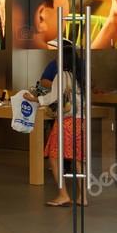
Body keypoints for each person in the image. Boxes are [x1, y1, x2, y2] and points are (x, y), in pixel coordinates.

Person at [25, 42, 86, 207]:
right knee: (78, 158)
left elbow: (52, 97)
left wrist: (34, 98)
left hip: (66, 122)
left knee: (54, 157)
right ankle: (83, 197)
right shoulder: (80, 75)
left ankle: (63, 194)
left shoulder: (62, 75)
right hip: (80, 120)